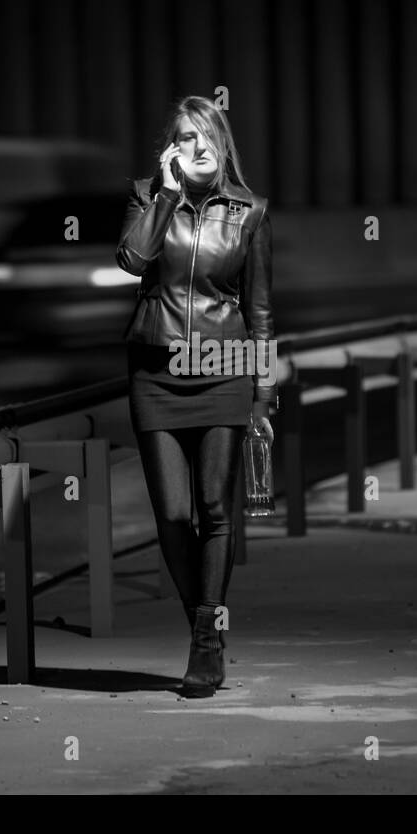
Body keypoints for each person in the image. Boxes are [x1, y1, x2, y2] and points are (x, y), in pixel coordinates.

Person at [115, 96, 277, 697]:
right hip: (155, 372)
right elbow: (132, 259)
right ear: (171, 149)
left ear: (224, 142)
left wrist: (263, 393)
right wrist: (162, 195)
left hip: (226, 368)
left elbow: (259, 311)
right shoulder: (145, 196)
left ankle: (206, 641)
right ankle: (203, 622)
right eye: (186, 137)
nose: (199, 146)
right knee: (173, 515)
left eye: (208, 135)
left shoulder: (251, 212)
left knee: (214, 508)